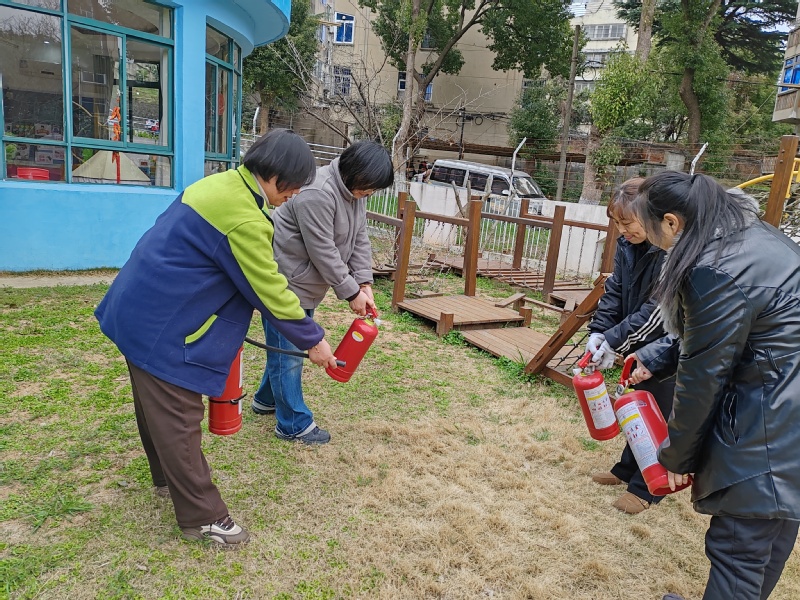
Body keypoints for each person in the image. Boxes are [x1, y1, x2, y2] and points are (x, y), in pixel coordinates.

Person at [95, 129, 338, 546]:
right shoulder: (244, 216)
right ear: (277, 175)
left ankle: (165, 479)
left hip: (136, 309)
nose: (295, 195)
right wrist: (313, 341)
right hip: (162, 325)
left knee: (153, 407)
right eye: (295, 186)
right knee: (179, 417)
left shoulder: (220, 184)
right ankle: (203, 518)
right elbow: (269, 289)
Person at [628, 172, 800, 600]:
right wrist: (655, 358)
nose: (652, 241)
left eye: (649, 229)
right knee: (769, 541)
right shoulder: (754, 238)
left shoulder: (712, 267)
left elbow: (703, 373)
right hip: (789, 413)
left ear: (671, 222)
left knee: (738, 549)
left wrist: (674, 456)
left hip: (768, 424)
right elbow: (735, 329)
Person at [251, 141, 394, 444]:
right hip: (285, 283)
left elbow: (359, 237)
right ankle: (292, 424)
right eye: (367, 189)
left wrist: (365, 282)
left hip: (305, 282)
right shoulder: (317, 193)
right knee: (289, 354)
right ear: (354, 173)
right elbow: (323, 251)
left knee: (285, 348)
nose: (368, 195)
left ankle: (265, 400)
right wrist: (351, 293)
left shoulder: (355, 192)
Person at [585, 178, 675, 515]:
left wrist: (613, 339)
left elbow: (656, 309)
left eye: (628, 223)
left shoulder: (670, 251)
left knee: (660, 415)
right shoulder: (628, 246)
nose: (623, 230)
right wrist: (598, 331)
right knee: (637, 406)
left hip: (669, 342)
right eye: (618, 223)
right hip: (638, 340)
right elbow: (615, 292)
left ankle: (647, 488)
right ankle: (626, 470)